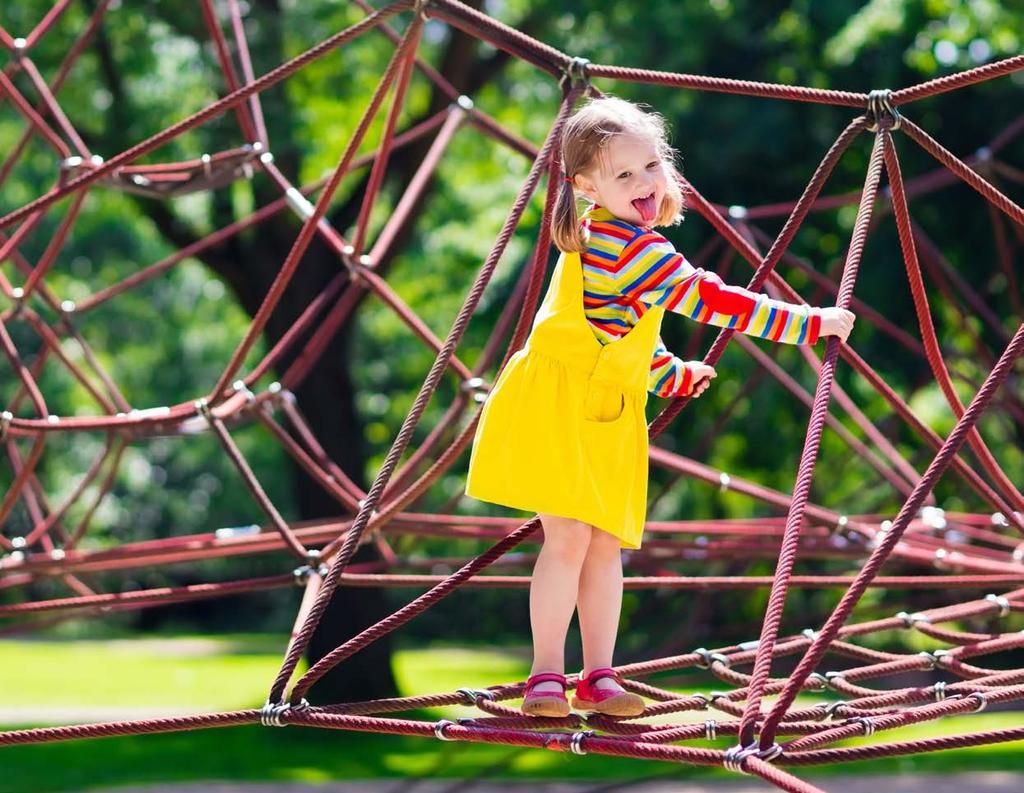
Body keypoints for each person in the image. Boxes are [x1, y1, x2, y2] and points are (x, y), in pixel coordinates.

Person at [464, 96, 855, 718]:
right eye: (624, 176)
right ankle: (544, 677)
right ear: (586, 186)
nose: (644, 183)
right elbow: (709, 299)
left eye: (651, 167)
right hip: (562, 404)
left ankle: (597, 676)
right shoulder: (626, 244)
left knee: (602, 545)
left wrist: (670, 373)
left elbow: (615, 332)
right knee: (567, 537)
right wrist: (810, 323)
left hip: (603, 405)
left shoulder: (618, 240)